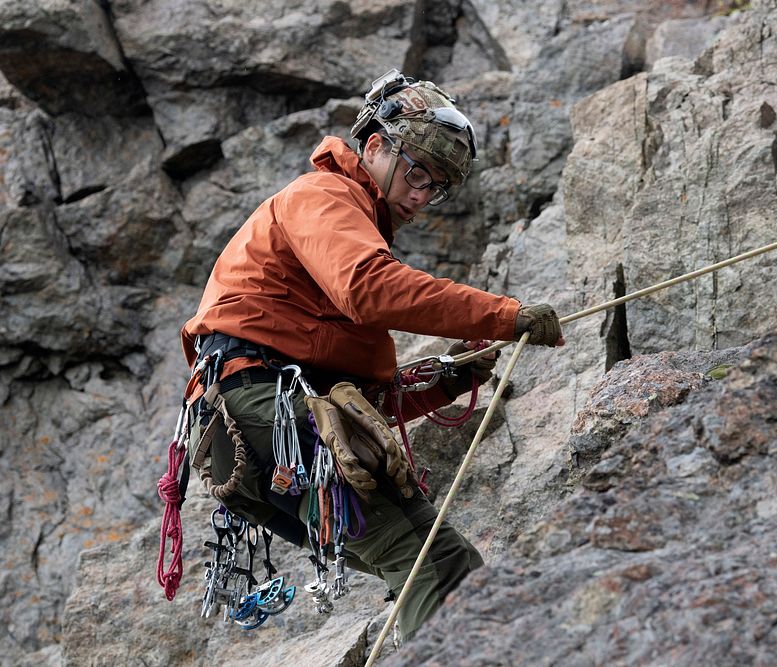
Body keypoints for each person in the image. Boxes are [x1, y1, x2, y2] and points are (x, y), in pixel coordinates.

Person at [179, 69, 564, 640]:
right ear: (377, 145)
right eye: (417, 173)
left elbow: (361, 405)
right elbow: (371, 290)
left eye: (437, 187)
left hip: (267, 420)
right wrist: (502, 315)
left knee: (448, 562)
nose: (421, 195)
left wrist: (446, 382)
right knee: (424, 563)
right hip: (261, 406)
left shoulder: (343, 234)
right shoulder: (324, 196)